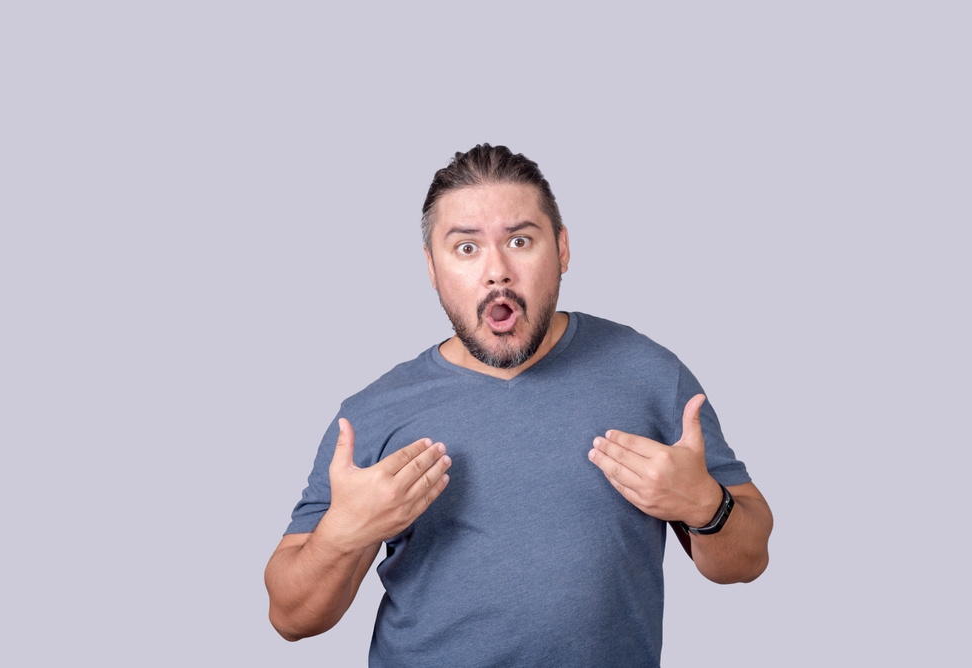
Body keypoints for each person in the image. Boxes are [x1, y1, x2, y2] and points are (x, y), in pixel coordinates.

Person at [265, 144, 773, 667]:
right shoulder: (374, 414)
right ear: (431, 268)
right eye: (466, 248)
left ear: (563, 249)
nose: (497, 272)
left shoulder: (649, 375)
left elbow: (746, 560)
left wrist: (705, 506)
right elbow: (292, 618)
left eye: (520, 240)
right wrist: (343, 535)